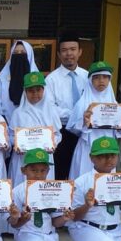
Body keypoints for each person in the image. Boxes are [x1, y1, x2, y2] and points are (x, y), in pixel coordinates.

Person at [9, 148, 72, 241]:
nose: (38, 175)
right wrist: (22, 219)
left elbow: (56, 223)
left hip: (48, 235)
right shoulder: (17, 192)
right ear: (23, 170)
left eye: (43, 170)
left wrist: (64, 218)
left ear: (48, 171)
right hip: (27, 233)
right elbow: (14, 225)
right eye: (34, 170)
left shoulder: (53, 190)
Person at [66, 61, 121, 179]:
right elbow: (72, 128)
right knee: (84, 178)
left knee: (105, 180)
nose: (101, 81)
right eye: (96, 77)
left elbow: (119, 132)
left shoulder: (114, 104)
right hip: (88, 147)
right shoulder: (82, 103)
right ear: (90, 80)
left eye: (105, 77)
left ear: (109, 80)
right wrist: (84, 122)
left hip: (108, 148)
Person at [46, 31, 89, 180]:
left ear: (80, 52)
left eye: (73, 49)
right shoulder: (51, 80)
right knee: (61, 174)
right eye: (64, 50)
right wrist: (76, 115)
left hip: (84, 132)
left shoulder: (88, 77)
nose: (69, 53)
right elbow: (50, 109)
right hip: (62, 132)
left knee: (82, 173)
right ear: (59, 54)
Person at [8, 72, 61, 187]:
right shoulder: (18, 113)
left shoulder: (51, 111)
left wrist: (53, 144)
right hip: (23, 158)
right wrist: (17, 144)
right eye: (31, 91)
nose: (35, 94)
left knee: (43, 190)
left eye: (38, 90)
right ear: (25, 92)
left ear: (44, 90)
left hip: (44, 157)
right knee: (22, 189)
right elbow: (11, 136)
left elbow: (57, 134)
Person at [0, 40, 39, 122]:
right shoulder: (3, 77)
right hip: (6, 122)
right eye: (15, 53)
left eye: (23, 52)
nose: (19, 55)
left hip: (32, 124)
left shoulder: (37, 78)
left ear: (29, 55)